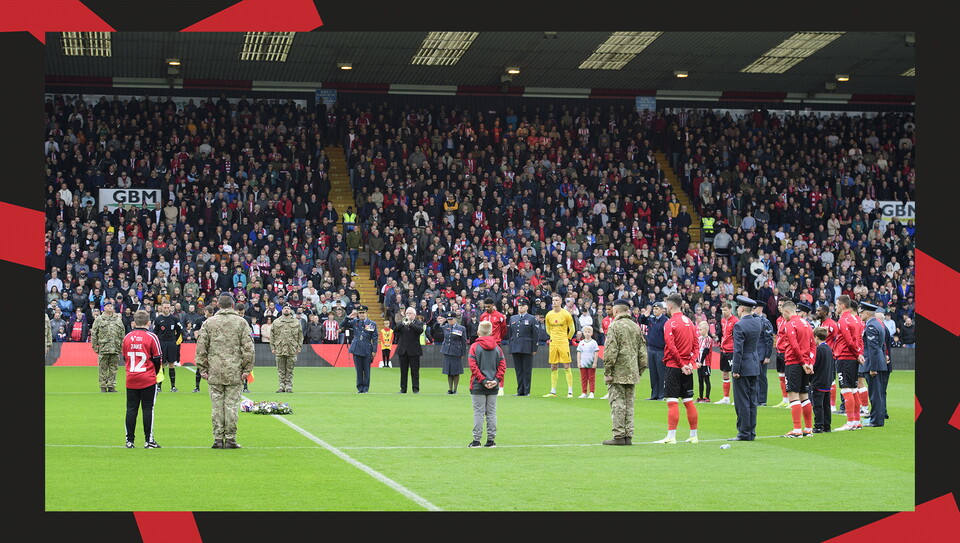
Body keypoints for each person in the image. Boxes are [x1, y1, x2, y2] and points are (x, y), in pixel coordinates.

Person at [196, 294, 255, 449]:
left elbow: (201, 347)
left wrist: (202, 368)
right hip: (234, 371)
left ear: (218, 305)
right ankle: (230, 438)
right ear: (233, 305)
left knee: (217, 406)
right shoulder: (241, 323)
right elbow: (248, 348)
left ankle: (217, 438)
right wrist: (246, 369)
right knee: (231, 406)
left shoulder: (209, 323)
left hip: (214, 370)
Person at [654, 293, 700, 444]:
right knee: (688, 401)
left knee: (672, 401)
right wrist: (690, 363)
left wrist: (681, 364)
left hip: (675, 367)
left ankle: (671, 436)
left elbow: (671, 345)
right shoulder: (690, 322)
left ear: (670, 305)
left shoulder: (670, 323)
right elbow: (696, 345)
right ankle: (694, 436)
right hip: (687, 367)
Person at [601, 299, 646, 445]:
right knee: (629, 404)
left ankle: (619, 436)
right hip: (632, 372)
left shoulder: (614, 326)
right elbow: (643, 354)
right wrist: (639, 371)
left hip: (617, 372)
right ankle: (628, 436)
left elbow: (610, 351)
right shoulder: (635, 327)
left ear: (616, 310)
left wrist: (608, 372)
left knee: (617, 403)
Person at [121, 309, 163, 449]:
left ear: (134, 322)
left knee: (131, 409)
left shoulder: (127, 337)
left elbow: (125, 357)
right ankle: (149, 440)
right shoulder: (152, 337)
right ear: (149, 323)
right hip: (147, 378)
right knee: (147, 409)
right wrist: (155, 373)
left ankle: (129, 441)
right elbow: (157, 359)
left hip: (131, 377)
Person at [778, 300, 816, 437]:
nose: (783, 316)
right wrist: (810, 362)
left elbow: (794, 346)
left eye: (783, 313)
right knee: (804, 395)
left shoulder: (789, 324)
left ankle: (797, 430)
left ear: (787, 311)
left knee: (793, 395)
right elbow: (813, 345)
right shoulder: (806, 323)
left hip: (794, 363)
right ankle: (808, 428)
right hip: (806, 363)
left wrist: (802, 362)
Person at [729, 296, 763, 442]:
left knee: (742, 401)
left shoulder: (739, 325)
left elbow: (738, 350)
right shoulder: (758, 322)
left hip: (743, 366)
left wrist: (735, 369)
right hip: (754, 365)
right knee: (752, 401)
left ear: (741, 309)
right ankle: (751, 432)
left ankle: (743, 432)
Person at [467, 320, 506, 448]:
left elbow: (473, 366)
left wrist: (482, 380)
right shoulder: (497, 348)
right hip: (493, 384)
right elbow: (502, 366)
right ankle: (491, 440)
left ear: (478, 332)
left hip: (478, 384)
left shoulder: (474, 347)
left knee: (478, 413)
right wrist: (495, 380)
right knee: (491, 413)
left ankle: (476, 440)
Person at [833, 295, 864, 431]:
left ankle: (850, 421)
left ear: (842, 306)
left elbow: (848, 340)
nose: (835, 307)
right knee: (853, 389)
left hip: (845, 357)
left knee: (846, 389)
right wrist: (859, 353)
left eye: (837, 304)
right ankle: (857, 421)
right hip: (853, 358)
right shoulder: (856, 320)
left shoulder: (843, 320)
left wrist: (857, 353)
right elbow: (859, 340)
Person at [859, 302, 889, 427]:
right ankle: (877, 417)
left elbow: (873, 349)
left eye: (861, 312)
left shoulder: (871, 326)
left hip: (873, 363)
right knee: (879, 392)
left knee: (875, 393)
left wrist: (873, 368)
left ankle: (876, 420)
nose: (860, 314)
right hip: (880, 362)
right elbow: (881, 346)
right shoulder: (878, 324)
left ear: (867, 313)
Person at [542, 293, 576, 397]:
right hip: (553, 343)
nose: (554, 302)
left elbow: (572, 329)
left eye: (556, 300)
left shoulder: (566, 314)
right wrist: (553, 337)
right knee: (553, 366)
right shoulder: (549, 315)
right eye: (553, 300)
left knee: (566, 365)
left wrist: (566, 338)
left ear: (561, 301)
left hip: (563, 342)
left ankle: (570, 391)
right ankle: (553, 391)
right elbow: (548, 329)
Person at [506, 297, 539, 396]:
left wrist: (534, 348)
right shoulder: (513, 318)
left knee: (527, 370)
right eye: (519, 305)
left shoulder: (531, 318)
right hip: (515, 346)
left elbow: (535, 334)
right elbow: (510, 333)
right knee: (518, 370)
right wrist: (511, 345)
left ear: (527, 307)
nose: (520, 307)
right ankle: (520, 390)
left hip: (527, 347)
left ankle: (527, 391)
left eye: (522, 305)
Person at [90, 301, 126, 393]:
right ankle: (103, 386)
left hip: (115, 347)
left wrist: (122, 346)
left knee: (114, 368)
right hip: (103, 347)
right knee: (103, 367)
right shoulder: (99, 319)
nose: (110, 307)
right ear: (104, 308)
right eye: (108, 306)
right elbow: (94, 334)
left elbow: (122, 333)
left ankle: (111, 385)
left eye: (111, 306)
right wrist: (94, 346)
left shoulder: (118, 319)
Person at [270, 305, 304, 393]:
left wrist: (299, 347)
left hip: (291, 348)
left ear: (290, 310)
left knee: (290, 369)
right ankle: (281, 386)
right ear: (282, 310)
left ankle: (289, 386)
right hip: (279, 348)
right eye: (285, 308)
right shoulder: (276, 322)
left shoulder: (296, 322)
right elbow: (272, 335)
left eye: (288, 308)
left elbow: (300, 336)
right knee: (281, 369)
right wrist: (272, 347)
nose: (286, 310)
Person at [639, 301, 668, 400]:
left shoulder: (665, 321)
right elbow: (641, 321)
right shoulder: (651, 320)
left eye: (657, 309)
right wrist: (644, 315)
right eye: (654, 309)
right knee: (653, 373)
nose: (655, 311)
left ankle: (661, 394)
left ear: (662, 310)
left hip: (661, 350)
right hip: (651, 349)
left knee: (661, 373)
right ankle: (654, 394)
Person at [346, 305, 378, 393]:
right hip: (356, 348)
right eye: (359, 313)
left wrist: (374, 350)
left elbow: (375, 338)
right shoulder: (355, 322)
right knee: (359, 370)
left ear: (366, 313)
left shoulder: (372, 324)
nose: (361, 315)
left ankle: (366, 388)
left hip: (367, 348)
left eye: (363, 313)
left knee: (366, 370)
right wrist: (349, 317)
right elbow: (343, 324)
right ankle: (359, 388)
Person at [479, 297, 507, 395]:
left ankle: (501, 387)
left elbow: (503, 330)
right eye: (485, 307)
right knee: (484, 365)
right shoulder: (483, 316)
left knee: (499, 365)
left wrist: (498, 338)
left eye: (488, 306)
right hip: (484, 343)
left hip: (496, 344)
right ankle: (485, 384)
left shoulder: (500, 316)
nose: (487, 308)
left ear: (493, 305)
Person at [434, 311, 468, 394]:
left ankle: (455, 389)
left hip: (456, 352)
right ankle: (450, 389)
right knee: (448, 371)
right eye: (448, 320)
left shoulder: (461, 328)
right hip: (447, 351)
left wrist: (463, 353)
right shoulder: (445, 327)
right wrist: (438, 323)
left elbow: (464, 342)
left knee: (456, 371)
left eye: (451, 319)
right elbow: (436, 328)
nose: (450, 321)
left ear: (455, 319)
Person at [153, 301, 184, 392]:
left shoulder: (174, 318)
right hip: (162, 343)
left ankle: (173, 386)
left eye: (168, 307)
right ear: (161, 308)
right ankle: (159, 386)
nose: (166, 309)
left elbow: (179, 330)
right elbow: (155, 332)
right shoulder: (158, 319)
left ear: (170, 308)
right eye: (165, 307)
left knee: (171, 363)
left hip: (171, 343)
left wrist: (174, 339)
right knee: (161, 364)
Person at [810, 326, 835, 433]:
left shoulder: (818, 349)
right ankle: (827, 426)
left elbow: (815, 365)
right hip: (827, 381)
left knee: (818, 405)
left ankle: (818, 425)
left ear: (816, 337)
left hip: (818, 381)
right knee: (826, 405)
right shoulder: (829, 349)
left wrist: (810, 378)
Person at [395, 306, 424, 393]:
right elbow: (396, 330)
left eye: (410, 313)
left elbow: (419, 330)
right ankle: (403, 389)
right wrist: (403, 323)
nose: (408, 315)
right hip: (403, 350)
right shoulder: (402, 322)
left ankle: (415, 389)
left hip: (414, 350)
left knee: (415, 371)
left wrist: (410, 324)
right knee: (403, 371)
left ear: (414, 315)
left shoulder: (418, 323)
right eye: (407, 313)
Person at [714, 301, 738, 404]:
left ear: (730, 309)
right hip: (723, 350)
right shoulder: (723, 320)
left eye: (725, 310)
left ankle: (736, 398)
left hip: (731, 350)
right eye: (722, 310)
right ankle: (726, 398)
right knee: (724, 373)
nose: (724, 312)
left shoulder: (735, 321)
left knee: (734, 374)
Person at [753, 302, 774, 406]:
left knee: (761, 377)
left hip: (761, 354)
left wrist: (767, 355)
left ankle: (762, 400)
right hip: (755, 353)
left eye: (755, 307)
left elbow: (769, 340)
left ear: (760, 308)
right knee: (754, 377)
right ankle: (755, 398)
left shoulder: (765, 322)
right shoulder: (754, 320)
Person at [192, 305, 215, 392]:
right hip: (202, 345)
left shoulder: (215, 320)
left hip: (212, 346)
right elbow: (195, 332)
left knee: (213, 365)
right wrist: (200, 341)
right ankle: (197, 387)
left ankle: (213, 387)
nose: (210, 316)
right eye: (209, 314)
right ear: (205, 311)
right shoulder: (199, 320)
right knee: (200, 364)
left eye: (211, 314)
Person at [577, 325, 601, 398]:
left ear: (592, 333)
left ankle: (591, 392)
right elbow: (579, 353)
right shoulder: (581, 343)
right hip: (583, 363)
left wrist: (595, 362)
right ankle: (584, 392)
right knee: (583, 378)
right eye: (586, 332)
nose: (587, 333)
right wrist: (579, 362)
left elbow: (596, 353)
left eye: (589, 332)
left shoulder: (593, 342)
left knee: (591, 378)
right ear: (583, 333)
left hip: (590, 363)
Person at [696, 321, 715, 403]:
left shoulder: (708, 339)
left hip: (705, 363)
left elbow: (705, 351)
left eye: (701, 329)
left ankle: (707, 397)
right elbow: (696, 350)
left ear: (706, 329)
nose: (699, 331)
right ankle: (700, 396)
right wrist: (696, 361)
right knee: (700, 380)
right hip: (699, 363)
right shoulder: (699, 339)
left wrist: (700, 361)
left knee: (706, 380)